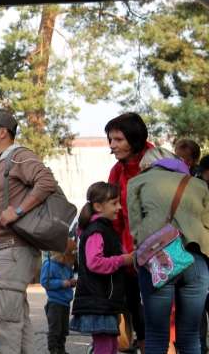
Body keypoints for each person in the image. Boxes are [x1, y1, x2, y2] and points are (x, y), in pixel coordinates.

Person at [0, 109, 58, 354]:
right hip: (5, 249)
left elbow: (47, 182)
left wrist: (18, 211)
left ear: (3, 132)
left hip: (11, 249)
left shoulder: (18, 156)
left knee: (7, 321)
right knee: (18, 319)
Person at [127, 147, 209, 354]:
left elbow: (135, 229)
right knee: (191, 336)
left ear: (148, 166)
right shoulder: (198, 184)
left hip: (158, 260)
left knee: (156, 335)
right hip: (195, 260)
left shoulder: (137, 182)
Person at [105, 112, 151, 351]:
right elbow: (113, 216)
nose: (112, 145)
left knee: (163, 318)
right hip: (129, 257)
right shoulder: (116, 171)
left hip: (162, 254)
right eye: (110, 140)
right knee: (136, 313)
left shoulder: (158, 162)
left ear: (134, 138)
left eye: (118, 139)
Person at [70, 182, 133, 354]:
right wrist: (123, 260)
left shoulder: (105, 229)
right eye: (114, 203)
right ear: (98, 206)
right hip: (98, 301)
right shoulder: (96, 231)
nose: (119, 207)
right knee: (105, 347)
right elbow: (94, 262)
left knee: (110, 345)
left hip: (104, 301)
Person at [40, 239, 76, 354]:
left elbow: (70, 277)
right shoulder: (49, 264)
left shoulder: (67, 266)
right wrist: (61, 283)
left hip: (66, 302)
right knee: (55, 329)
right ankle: (54, 350)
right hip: (55, 303)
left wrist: (72, 281)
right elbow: (45, 282)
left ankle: (61, 349)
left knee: (64, 330)